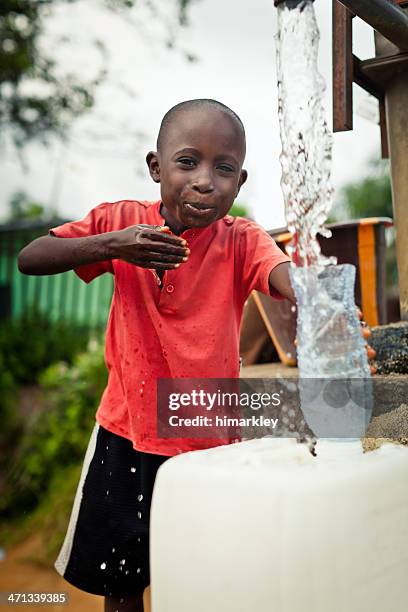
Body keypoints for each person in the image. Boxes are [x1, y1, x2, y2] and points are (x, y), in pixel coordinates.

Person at [18, 99, 374, 612]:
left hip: (209, 439)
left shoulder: (240, 240)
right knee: (122, 583)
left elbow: (284, 277)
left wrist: (326, 303)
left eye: (224, 168)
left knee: (209, 573)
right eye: (188, 162)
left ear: (241, 180)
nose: (206, 181)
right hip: (127, 432)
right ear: (156, 166)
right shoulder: (121, 223)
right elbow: (31, 257)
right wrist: (113, 246)